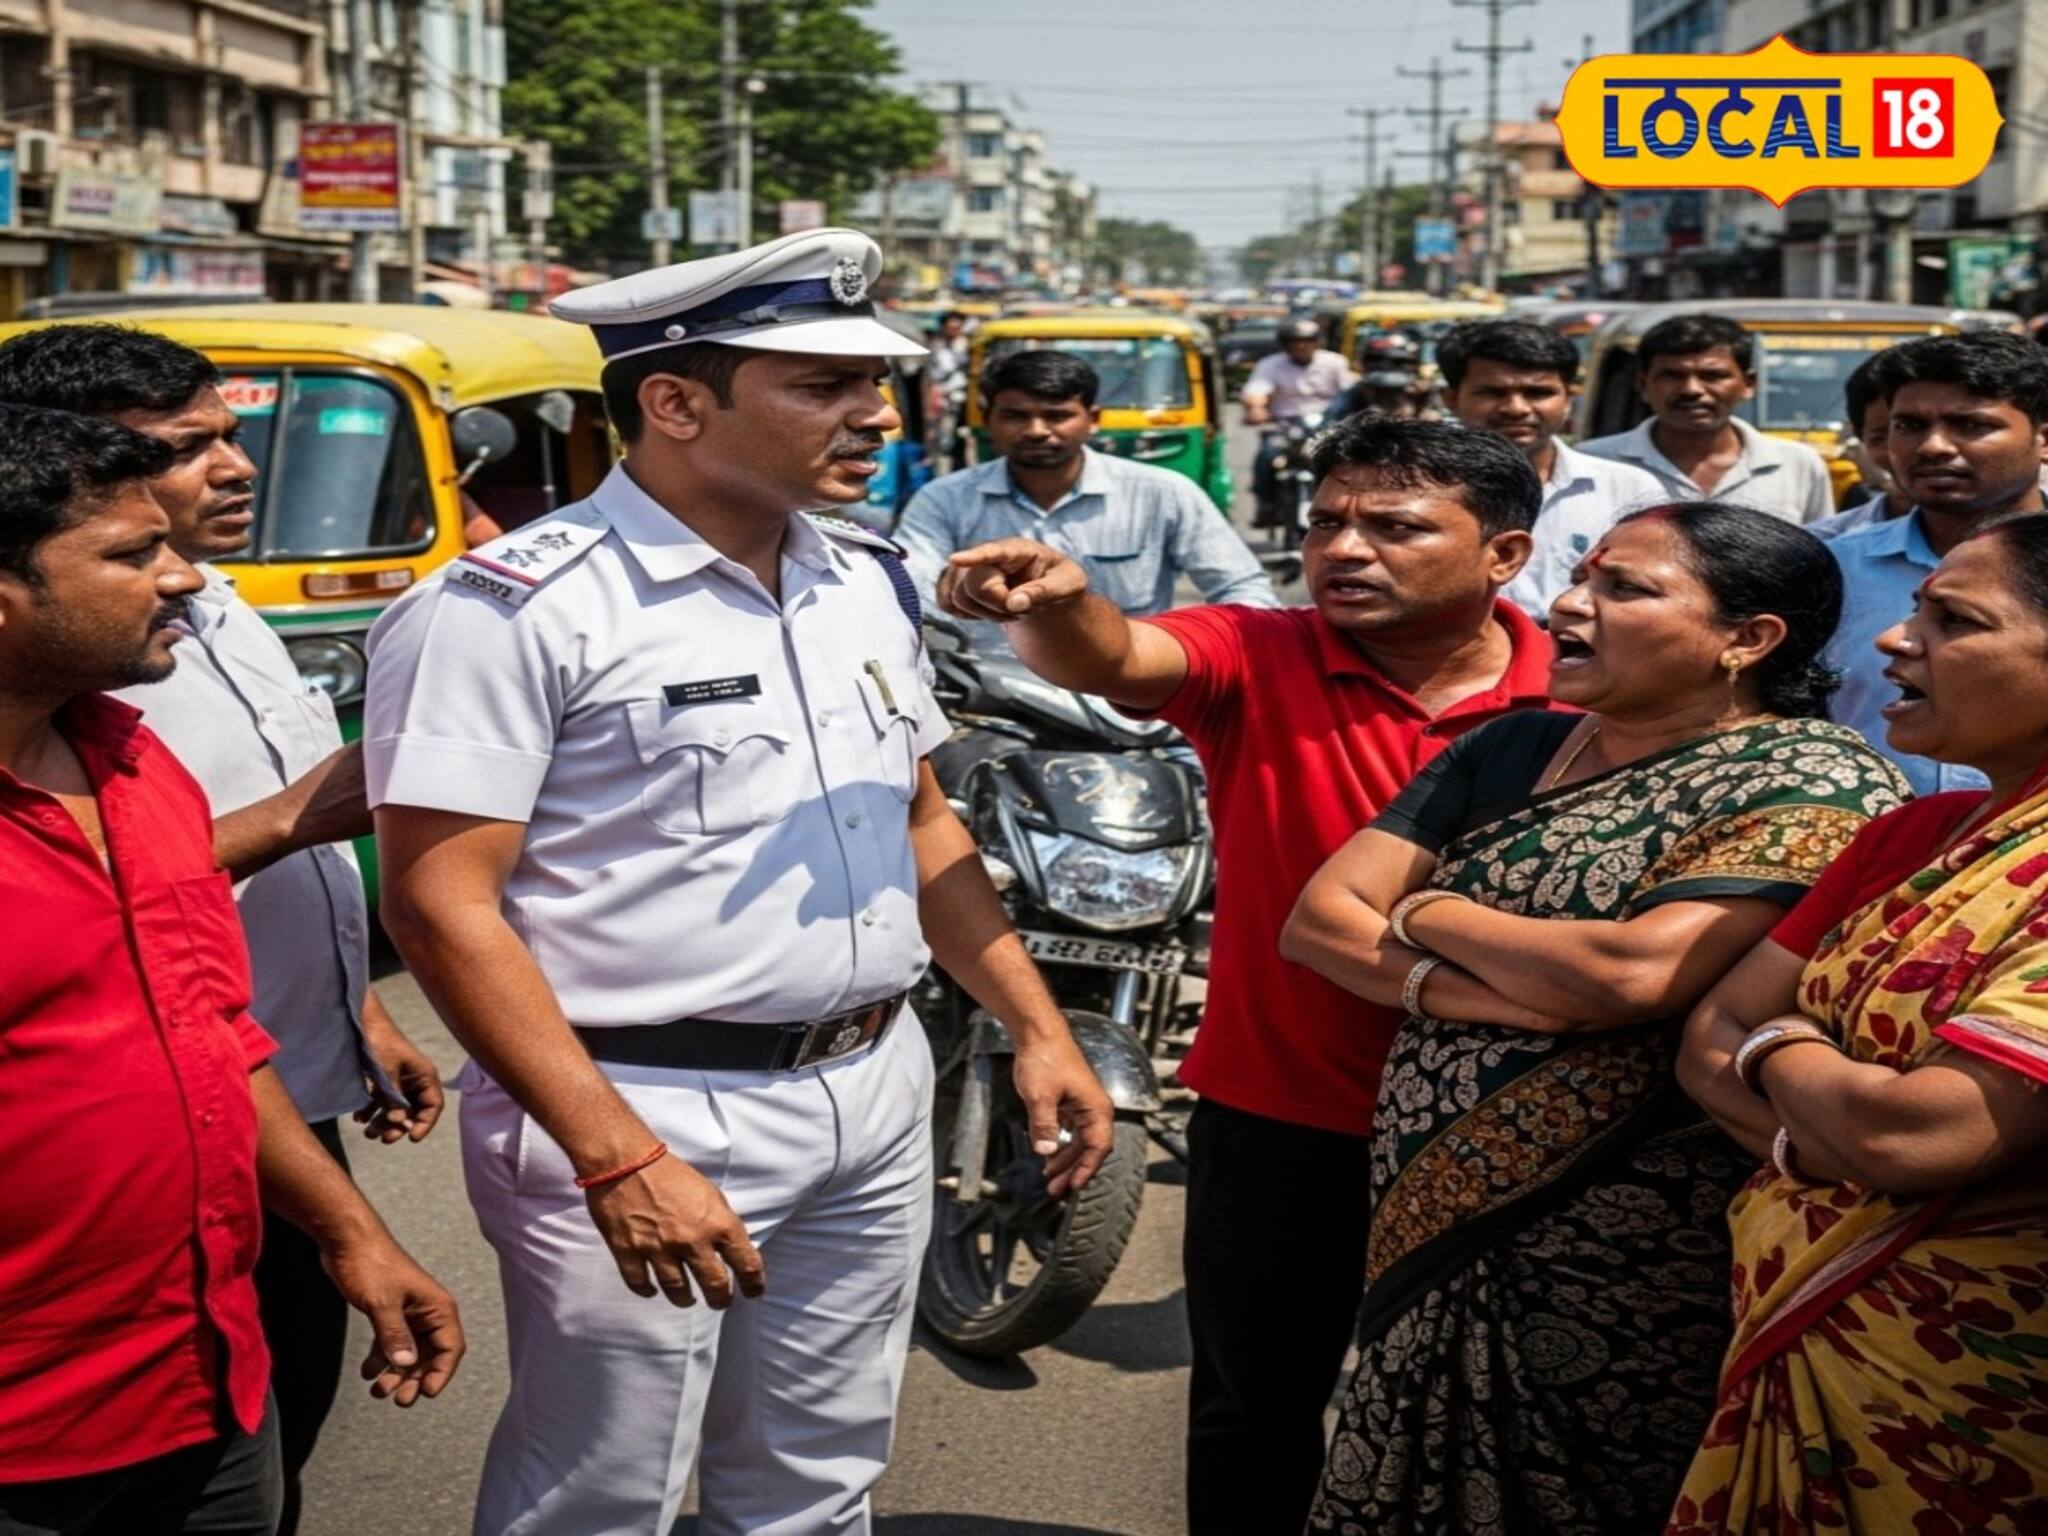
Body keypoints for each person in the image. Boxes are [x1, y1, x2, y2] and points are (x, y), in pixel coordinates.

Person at [365, 228, 1114, 1536]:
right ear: (674, 402)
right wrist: (615, 1158)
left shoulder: (863, 580)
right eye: (820, 384)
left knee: (818, 1487)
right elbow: (438, 905)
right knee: (600, 1498)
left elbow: (925, 829)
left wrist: (1036, 1028)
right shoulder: (514, 608)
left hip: (873, 1090)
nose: (874, 412)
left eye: (871, 383)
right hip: (639, 1096)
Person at [937, 415, 1557, 1535]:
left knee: (1486, 1416)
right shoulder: (1256, 651)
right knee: (1254, 1410)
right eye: (1325, 523)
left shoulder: (1585, 691)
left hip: (1514, 1123)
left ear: (1501, 555)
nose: (1343, 549)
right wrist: (1060, 599)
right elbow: (1116, 655)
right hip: (1279, 1118)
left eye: (1394, 527)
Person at [1281, 501, 1909, 1534]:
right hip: (1429, 1215)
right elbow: (1316, 922)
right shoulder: (1511, 746)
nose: (1569, 604)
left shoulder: (1815, 777)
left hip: (1631, 1237)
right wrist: (1459, 986)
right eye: (1581, 577)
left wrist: (1425, 908)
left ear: (1746, 640)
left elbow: (1629, 976)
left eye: (1624, 588)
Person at [0, 323, 450, 1536]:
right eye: (182, 449)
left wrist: (355, 1014)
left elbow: (185, 1000)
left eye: (228, 438)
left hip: (224, 1254)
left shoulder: (147, 707)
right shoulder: (103, 685)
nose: (232, 470)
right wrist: (310, 813)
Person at [1673, 514, 2048, 1534]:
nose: (1893, 640)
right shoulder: (1912, 835)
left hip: (1985, 1391)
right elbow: (1706, 1035)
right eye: (1912, 609)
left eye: (1952, 621)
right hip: (1816, 1335)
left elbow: (1922, 1131)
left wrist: (1781, 1045)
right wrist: (1841, 1143)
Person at [894, 349, 1275, 647]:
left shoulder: (1163, 492)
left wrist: (1193, 654)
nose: (1036, 430)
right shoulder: (943, 498)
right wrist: (952, 591)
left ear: (1092, 419)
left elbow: (1243, 589)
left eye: (1056, 415)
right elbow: (906, 589)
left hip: (1130, 702)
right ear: (988, 419)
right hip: (994, 709)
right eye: (1015, 416)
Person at [1821, 330, 2048, 796]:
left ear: (2043, 438)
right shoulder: (1826, 570)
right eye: (1910, 425)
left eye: (1970, 425)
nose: (1933, 447)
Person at [1436, 318, 1666, 617]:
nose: (1516, 409)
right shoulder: (1420, 492)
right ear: (1451, 399)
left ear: (1569, 398)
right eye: (1492, 393)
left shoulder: (1629, 490)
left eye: (1538, 393)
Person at [1579, 313, 1835, 524]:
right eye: (1672, 375)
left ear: (1748, 384)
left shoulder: (1797, 465)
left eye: (1712, 376)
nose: (1692, 390)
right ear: (1643, 385)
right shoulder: (1592, 463)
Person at [1244, 317, 1356, 529]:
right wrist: (1257, 409)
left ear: (1317, 342)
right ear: (1285, 344)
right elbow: (1256, 391)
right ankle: (1266, 505)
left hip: (1329, 426)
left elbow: (1349, 392)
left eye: (1307, 340)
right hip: (1287, 425)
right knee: (1267, 455)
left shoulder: (1335, 362)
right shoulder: (1270, 364)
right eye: (1294, 341)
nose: (1301, 346)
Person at [1807, 349, 1904, 541]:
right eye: (1882, 437)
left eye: (1967, 425)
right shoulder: (1824, 548)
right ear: (1862, 439)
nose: (1931, 447)